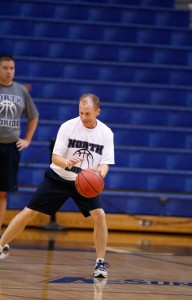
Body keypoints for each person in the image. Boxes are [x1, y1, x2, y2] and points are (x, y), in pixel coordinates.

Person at [0, 93, 115, 278]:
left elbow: (105, 163)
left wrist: (98, 175)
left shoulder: (106, 133)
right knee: (29, 211)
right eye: (81, 113)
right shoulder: (68, 127)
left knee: (100, 215)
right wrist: (68, 163)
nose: (84, 117)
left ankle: (100, 263)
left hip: (84, 182)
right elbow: (55, 158)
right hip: (59, 177)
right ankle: (1, 244)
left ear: (97, 112)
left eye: (88, 113)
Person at [0, 54, 39, 237]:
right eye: (5, 68)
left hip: (10, 148)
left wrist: (27, 140)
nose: (9, 71)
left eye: (12, 68)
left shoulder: (21, 91)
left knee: (2, 193)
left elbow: (33, 115)